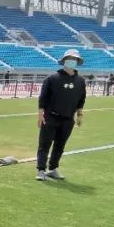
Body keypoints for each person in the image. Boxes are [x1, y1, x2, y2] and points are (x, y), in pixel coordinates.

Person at [36, 49, 86, 181]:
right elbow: (43, 98)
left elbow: (81, 99)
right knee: (44, 144)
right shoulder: (52, 78)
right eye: (69, 59)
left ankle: (53, 169)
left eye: (74, 59)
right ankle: (41, 170)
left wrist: (79, 115)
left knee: (60, 145)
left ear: (77, 62)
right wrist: (40, 114)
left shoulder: (80, 81)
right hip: (50, 117)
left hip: (68, 119)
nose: (72, 61)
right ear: (64, 61)